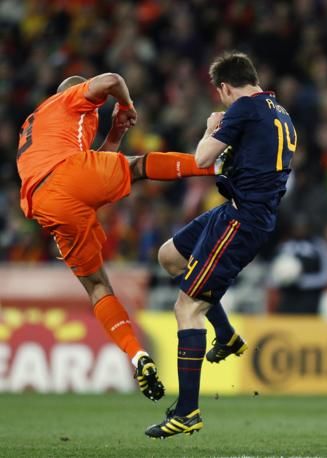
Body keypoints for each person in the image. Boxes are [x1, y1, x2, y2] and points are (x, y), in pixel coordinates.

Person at [16, 73, 220, 401]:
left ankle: (137, 356)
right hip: (64, 174)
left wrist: (115, 133)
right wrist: (126, 105)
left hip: (44, 203)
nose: (95, 111)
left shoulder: (40, 124)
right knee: (138, 167)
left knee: (97, 287)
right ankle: (218, 166)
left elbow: (96, 171)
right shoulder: (70, 99)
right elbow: (111, 80)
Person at [145, 52, 297, 438]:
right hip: (237, 210)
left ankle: (187, 411)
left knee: (187, 308)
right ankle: (226, 335)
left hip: (241, 221)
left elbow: (202, 159)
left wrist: (211, 127)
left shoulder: (242, 109)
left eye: (220, 94)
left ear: (225, 87)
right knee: (169, 257)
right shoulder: (280, 113)